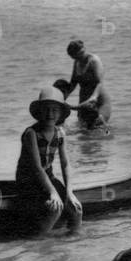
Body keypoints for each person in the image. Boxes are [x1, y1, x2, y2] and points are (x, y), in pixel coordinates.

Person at [15, 87, 83, 235]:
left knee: (76, 209)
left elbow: (65, 164)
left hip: (47, 178)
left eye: (54, 110)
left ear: (60, 114)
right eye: (46, 109)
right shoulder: (31, 134)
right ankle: (38, 242)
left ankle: (73, 241)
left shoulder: (60, 133)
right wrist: (53, 193)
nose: (50, 114)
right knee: (54, 208)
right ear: (39, 112)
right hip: (28, 180)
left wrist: (69, 193)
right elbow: (37, 168)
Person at [54, 40, 112, 128]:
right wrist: (61, 97)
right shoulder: (77, 62)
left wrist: (94, 97)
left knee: (99, 127)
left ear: (83, 50)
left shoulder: (94, 61)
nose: (78, 58)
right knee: (83, 130)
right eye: (74, 57)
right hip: (83, 101)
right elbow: (73, 83)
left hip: (99, 100)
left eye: (80, 54)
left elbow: (99, 83)